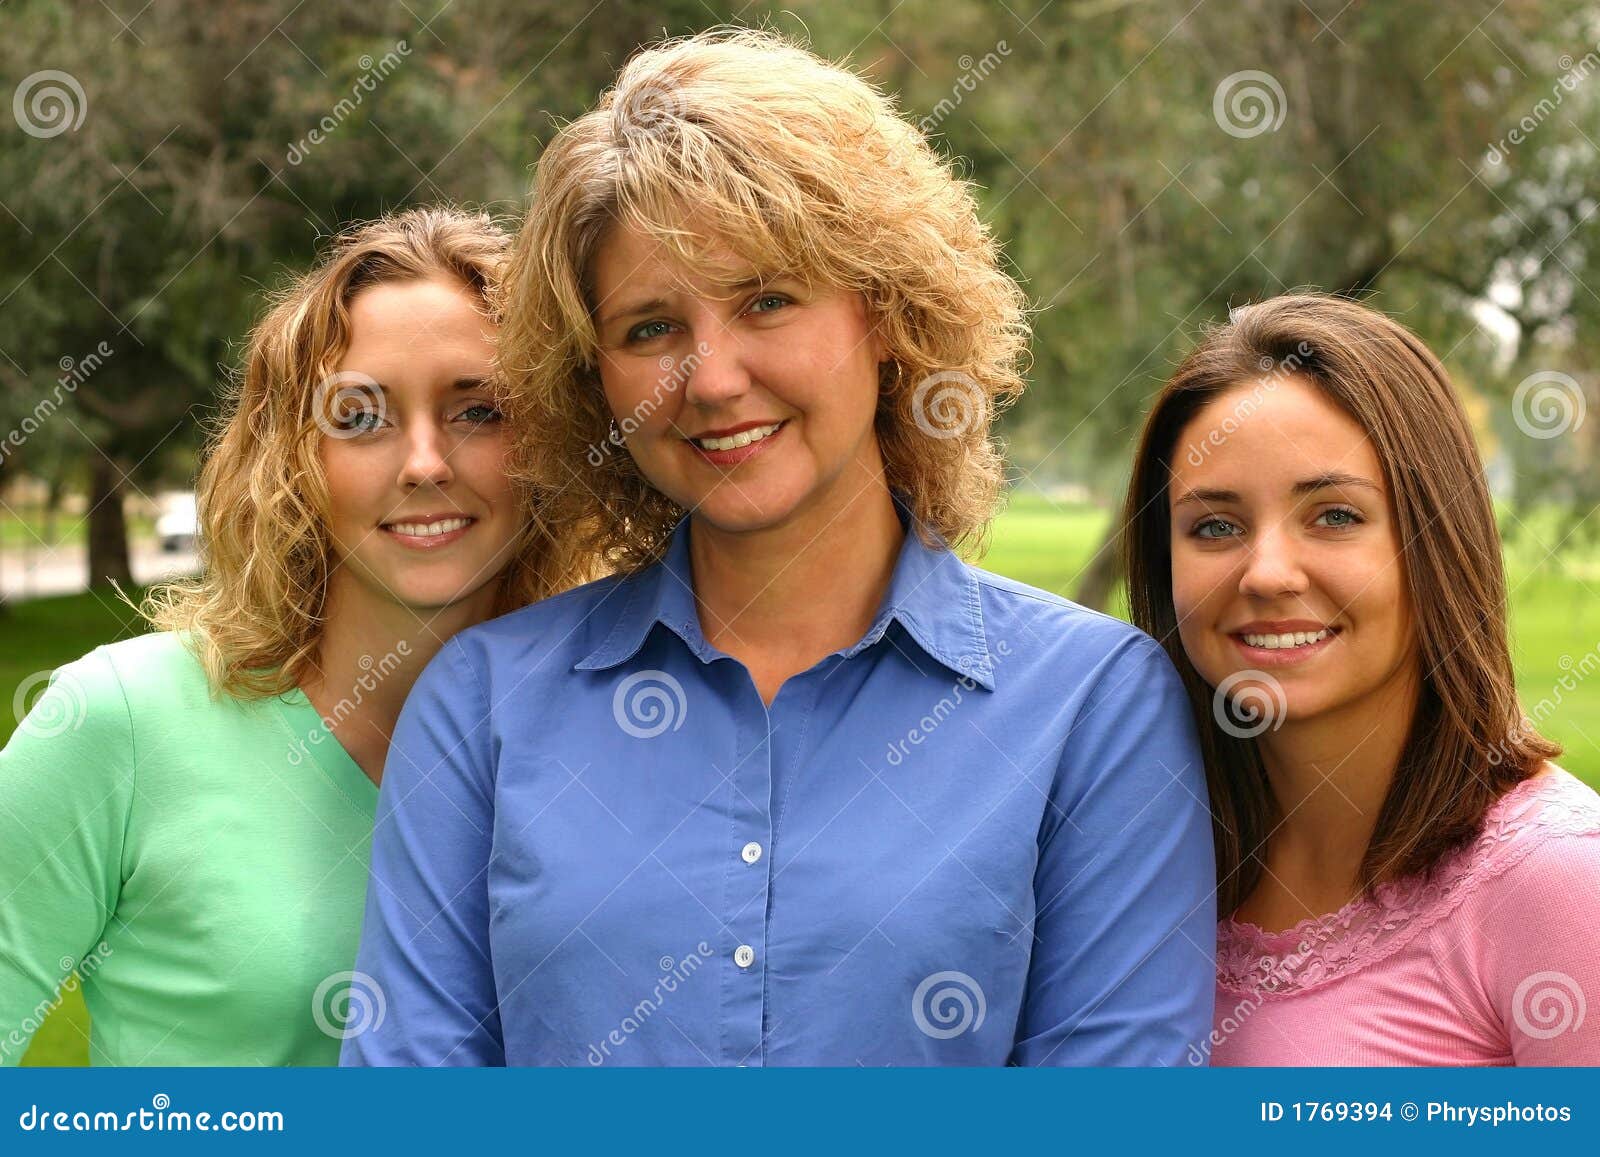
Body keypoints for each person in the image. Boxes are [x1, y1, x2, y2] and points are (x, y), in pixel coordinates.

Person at [345, 29, 1215, 1068]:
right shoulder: (482, 705)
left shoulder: (1090, 705)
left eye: (767, 299)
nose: (710, 378)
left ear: (884, 312)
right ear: (595, 380)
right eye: (650, 328)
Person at [0, 207, 589, 1065]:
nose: (424, 462)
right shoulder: (122, 721)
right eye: (360, 416)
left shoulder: (608, 736)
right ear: (294, 457)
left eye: (480, 410)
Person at [1123, 292, 1600, 1065]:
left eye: (1335, 515)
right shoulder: (1140, 864)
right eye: (1215, 526)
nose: (1268, 571)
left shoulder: (1560, 883)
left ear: (1436, 538)